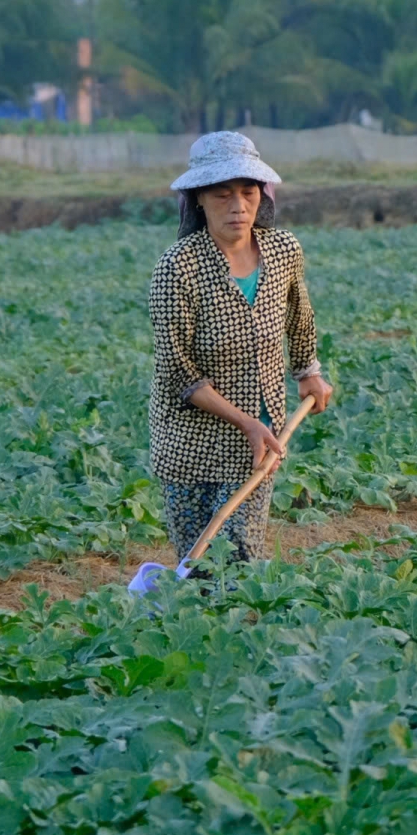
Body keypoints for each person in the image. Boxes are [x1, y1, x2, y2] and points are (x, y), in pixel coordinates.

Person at [148, 131, 334, 568]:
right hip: (189, 442)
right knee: (198, 567)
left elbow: (298, 314)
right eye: (222, 194)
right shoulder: (177, 268)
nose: (238, 206)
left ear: (261, 194)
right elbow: (180, 374)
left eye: (248, 192)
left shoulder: (282, 250)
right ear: (198, 199)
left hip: (258, 440)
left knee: (242, 557)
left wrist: (308, 368)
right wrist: (245, 423)